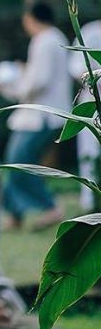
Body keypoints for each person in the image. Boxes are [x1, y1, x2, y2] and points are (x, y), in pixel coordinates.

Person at [3, 0, 70, 230]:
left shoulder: (43, 41)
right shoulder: (57, 38)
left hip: (40, 115)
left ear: (31, 19)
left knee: (17, 162)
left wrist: (14, 84)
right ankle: (15, 213)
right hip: (45, 113)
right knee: (15, 161)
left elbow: (38, 81)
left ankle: (50, 206)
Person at [68, 19, 101, 210]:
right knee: (89, 151)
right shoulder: (90, 31)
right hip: (91, 102)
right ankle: (90, 200)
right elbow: (76, 68)